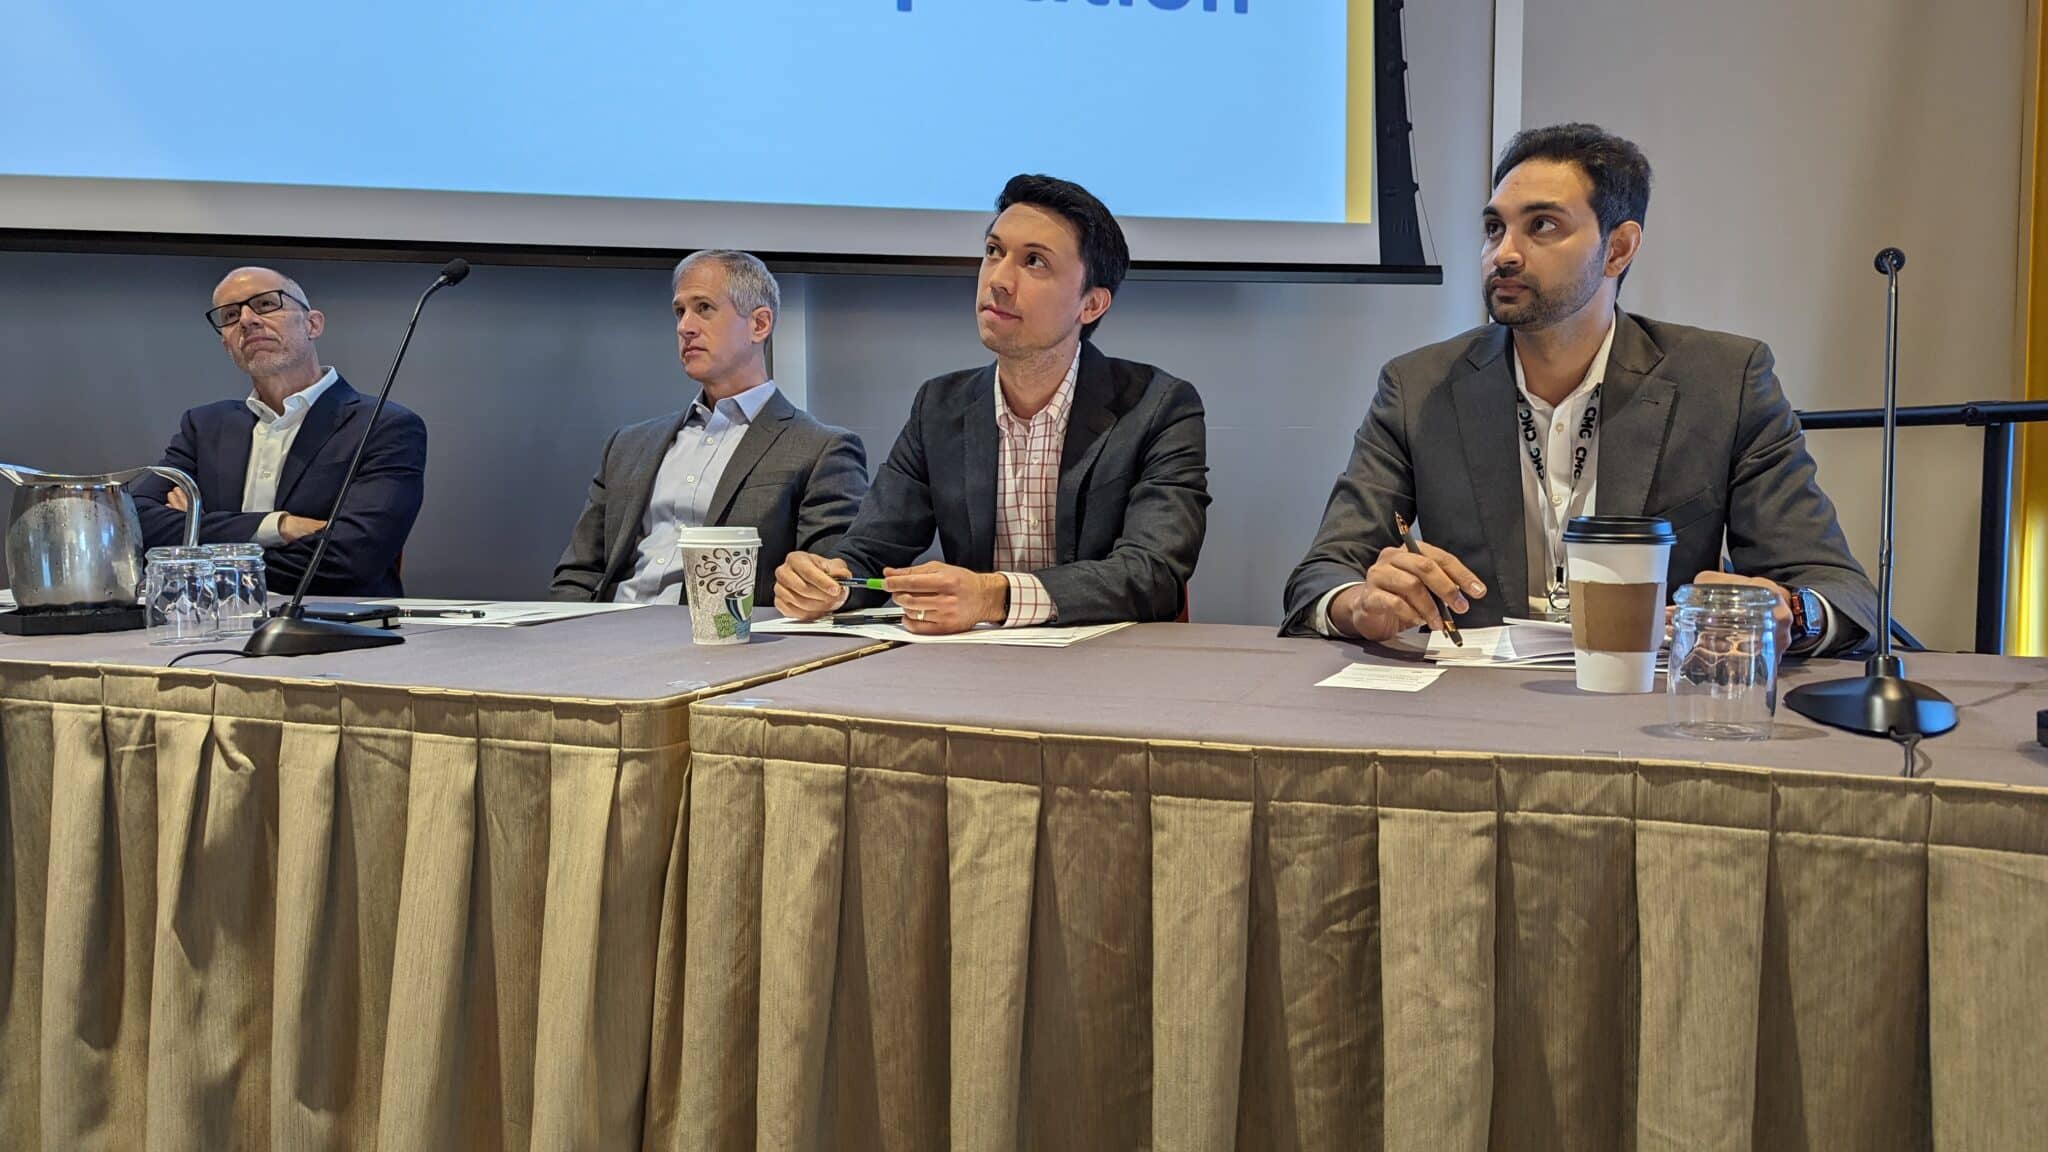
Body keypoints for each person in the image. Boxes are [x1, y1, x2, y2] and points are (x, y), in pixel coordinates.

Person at [1283, 123, 1878, 657]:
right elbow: (1322, 574)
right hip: (1476, 701)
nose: (1504, 254)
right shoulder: (1418, 386)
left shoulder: (1724, 382)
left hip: (1648, 698)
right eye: (1494, 228)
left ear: (1617, 248)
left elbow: (1839, 591)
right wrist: (1358, 604)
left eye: (1542, 226)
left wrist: (1789, 614)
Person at [772, 174, 1210, 634]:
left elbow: (1153, 572)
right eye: (993, 251)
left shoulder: (1158, 407)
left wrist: (993, 595)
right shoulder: (939, 407)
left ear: (1092, 304)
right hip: (973, 667)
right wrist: (830, 581)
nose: (998, 280)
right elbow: (870, 550)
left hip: (1111, 671)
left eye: (1035, 262)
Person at [550, 250, 867, 605]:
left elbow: (831, 583)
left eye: (704, 308)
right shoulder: (628, 445)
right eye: (679, 311)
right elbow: (578, 574)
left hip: (723, 648)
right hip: (601, 641)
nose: (685, 326)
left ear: (759, 324)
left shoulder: (820, 449)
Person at [132, 266, 427, 597]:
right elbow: (135, 524)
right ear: (226, 343)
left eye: (266, 305)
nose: (246, 320)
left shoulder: (384, 426)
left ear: (312, 324)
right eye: (230, 314)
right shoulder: (204, 427)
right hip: (211, 627)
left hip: (334, 631)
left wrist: (199, 547)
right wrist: (281, 526)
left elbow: (352, 558)